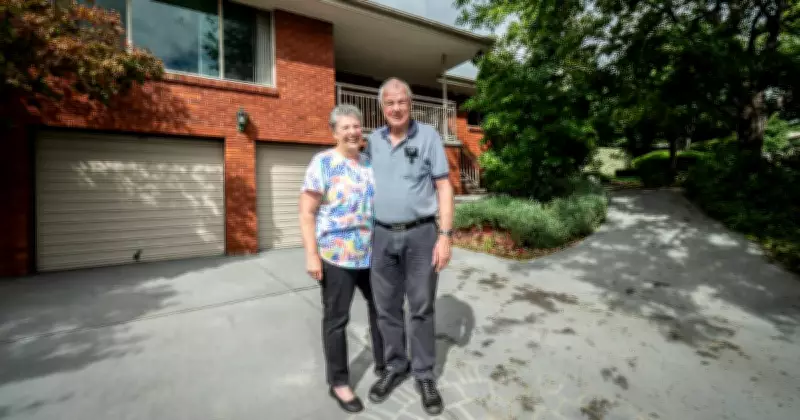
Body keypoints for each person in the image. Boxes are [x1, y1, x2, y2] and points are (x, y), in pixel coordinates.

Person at [364, 77, 455, 415]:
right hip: (381, 236)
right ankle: (395, 366)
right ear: (382, 107)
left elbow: (444, 187)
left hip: (421, 235)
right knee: (386, 307)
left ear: (410, 104)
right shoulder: (372, 142)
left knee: (421, 307)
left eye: (402, 101)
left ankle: (424, 374)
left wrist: (445, 235)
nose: (396, 108)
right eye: (390, 103)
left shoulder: (429, 136)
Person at [298, 104, 385, 414]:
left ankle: (384, 363)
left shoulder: (369, 164)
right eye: (345, 127)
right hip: (336, 255)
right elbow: (307, 213)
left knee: (382, 310)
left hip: (371, 253)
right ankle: (339, 382)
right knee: (337, 319)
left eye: (356, 126)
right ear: (334, 132)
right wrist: (312, 255)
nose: (352, 132)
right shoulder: (322, 163)